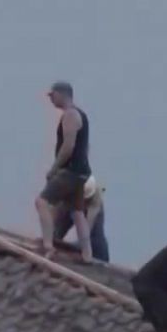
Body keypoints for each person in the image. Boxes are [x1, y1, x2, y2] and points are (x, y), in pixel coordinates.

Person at [35, 81, 94, 262]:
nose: (51, 99)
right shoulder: (81, 115)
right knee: (77, 212)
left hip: (70, 171)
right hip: (82, 172)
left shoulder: (70, 115)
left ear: (62, 94)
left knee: (42, 202)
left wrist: (54, 168)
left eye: (53, 95)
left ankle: (48, 245)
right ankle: (87, 254)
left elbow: (68, 146)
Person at [55, 175, 109, 262]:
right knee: (56, 232)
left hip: (93, 237)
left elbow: (87, 227)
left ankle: (100, 259)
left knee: (96, 238)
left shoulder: (95, 199)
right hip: (71, 202)